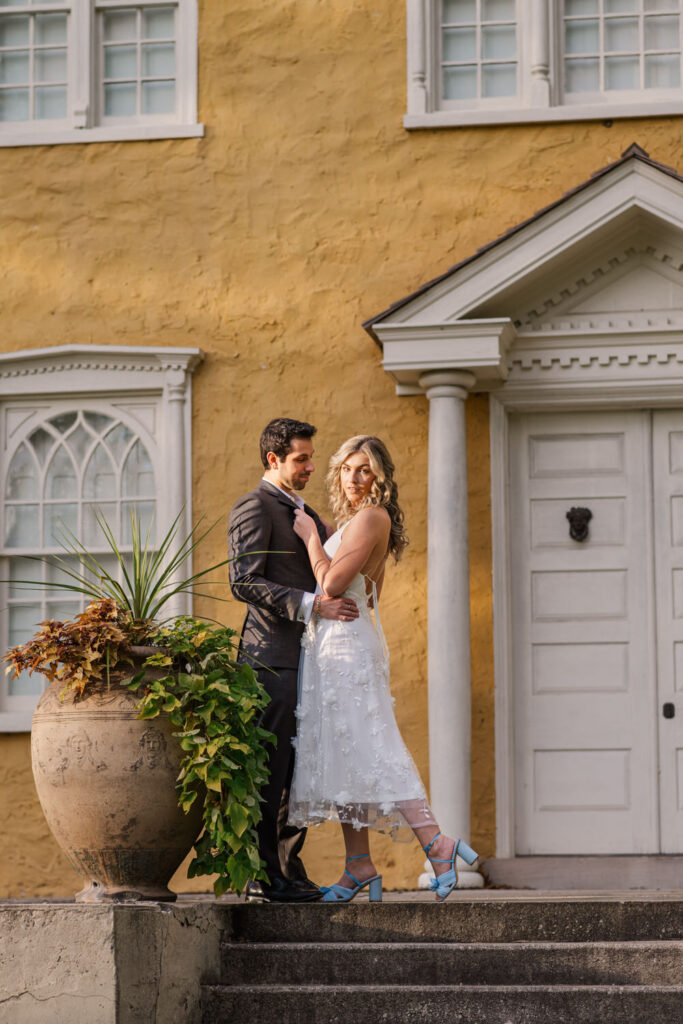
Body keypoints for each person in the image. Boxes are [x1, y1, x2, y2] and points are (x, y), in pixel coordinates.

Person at [288, 435, 478, 903]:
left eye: (365, 470)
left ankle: (437, 844)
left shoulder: (373, 517)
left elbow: (331, 584)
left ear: (380, 478)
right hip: (337, 644)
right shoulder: (356, 521)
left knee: (373, 748)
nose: (354, 478)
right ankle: (358, 866)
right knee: (350, 754)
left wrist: (312, 536)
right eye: (349, 468)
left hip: (347, 647)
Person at [228, 418, 360, 904]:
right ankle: (263, 876)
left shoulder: (304, 512)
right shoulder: (254, 506)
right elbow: (243, 580)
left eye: (309, 457)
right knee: (271, 767)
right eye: (300, 458)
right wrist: (310, 605)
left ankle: (287, 868)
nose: (309, 466)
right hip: (271, 659)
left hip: (309, 660)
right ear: (273, 460)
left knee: (296, 770)